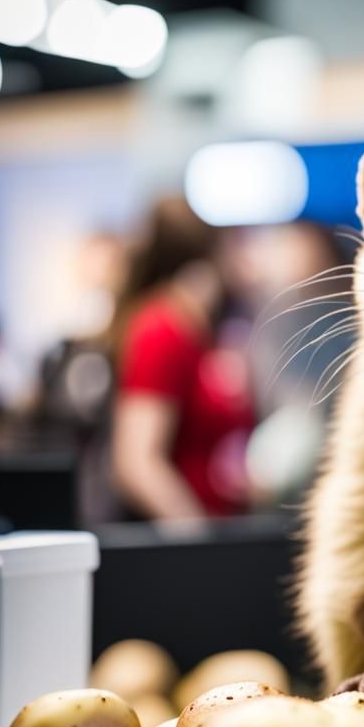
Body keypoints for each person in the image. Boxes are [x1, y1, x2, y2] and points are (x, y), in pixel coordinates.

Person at [110, 197, 256, 520]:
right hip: (186, 551)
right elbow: (136, 461)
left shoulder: (199, 331)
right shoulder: (160, 330)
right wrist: (194, 535)